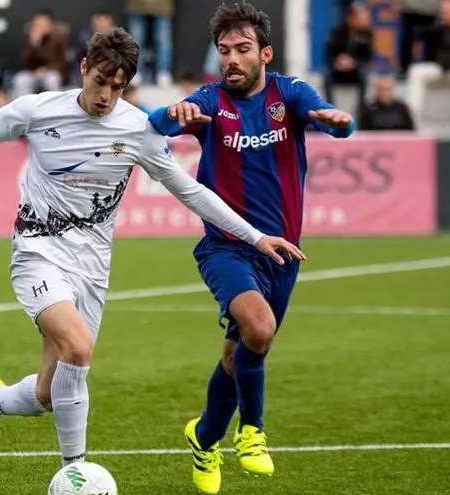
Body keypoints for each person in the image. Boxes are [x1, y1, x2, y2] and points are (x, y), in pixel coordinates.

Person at [0, 27, 303, 468]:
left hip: (92, 264)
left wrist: (255, 236)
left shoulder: (138, 129)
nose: (105, 96)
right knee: (78, 348)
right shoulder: (39, 109)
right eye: (100, 81)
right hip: (37, 250)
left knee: (49, 393)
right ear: (84, 68)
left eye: (117, 87)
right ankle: (76, 473)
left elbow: (191, 191)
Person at [146, 2, 354, 493]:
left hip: (282, 255)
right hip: (226, 248)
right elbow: (160, 123)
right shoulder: (211, 100)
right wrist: (171, 113)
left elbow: (330, 120)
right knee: (259, 330)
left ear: (265, 53)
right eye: (224, 51)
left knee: (236, 354)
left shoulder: (288, 93)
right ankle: (252, 432)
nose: (231, 60)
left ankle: (203, 437)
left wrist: (337, 121)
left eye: (242, 49)